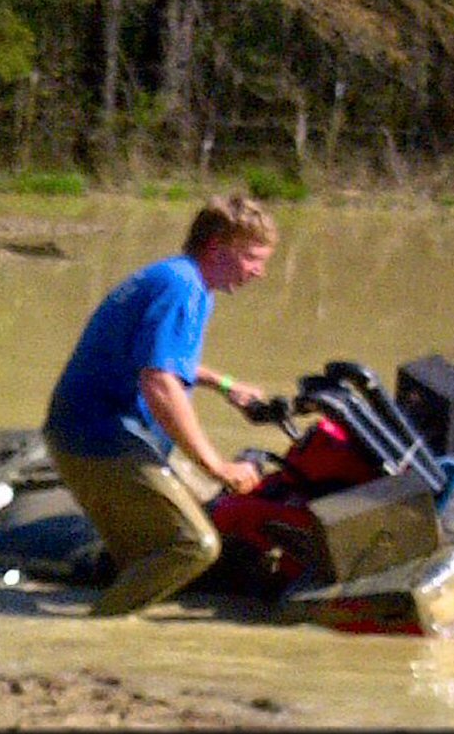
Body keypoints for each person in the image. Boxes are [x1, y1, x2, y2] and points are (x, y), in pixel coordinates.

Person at [42, 195, 278, 616]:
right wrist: (216, 466)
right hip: (97, 440)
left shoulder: (186, 281)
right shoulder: (181, 288)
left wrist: (225, 385)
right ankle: (95, 631)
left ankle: (116, 596)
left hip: (97, 433)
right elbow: (160, 384)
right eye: (251, 258)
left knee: (181, 533)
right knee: (194, 546)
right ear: (216, 248)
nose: (258, 272)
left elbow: (163, 357)